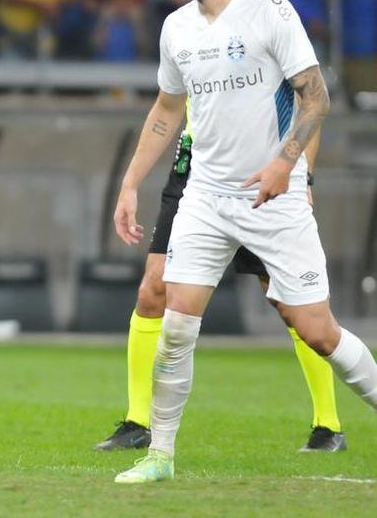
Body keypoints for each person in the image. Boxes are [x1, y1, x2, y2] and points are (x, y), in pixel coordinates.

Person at [111, 0, 377, 484]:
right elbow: (165, 109)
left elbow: (316, 97)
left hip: (272, 198)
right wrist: (131, 182)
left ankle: (338, 416)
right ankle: (160, 456)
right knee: (177, 323)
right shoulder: (176, 27)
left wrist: (288, 166)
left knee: (317, 329)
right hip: (205, 197)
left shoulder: (271, 13)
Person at [97, 114, 347, 453]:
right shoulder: (182, 57)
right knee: (153, 290)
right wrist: (130, 184)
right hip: (196, 168)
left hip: (261, 172)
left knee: (294, 306)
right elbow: (167, 106)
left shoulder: (277, 59)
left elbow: (310, 104)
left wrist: (304, 178)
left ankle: (328, 425)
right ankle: (139, 422)